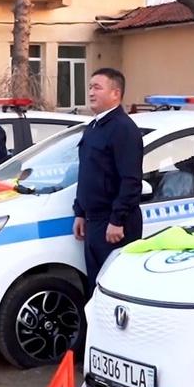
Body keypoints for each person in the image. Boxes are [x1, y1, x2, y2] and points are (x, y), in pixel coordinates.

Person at [72, 67, 144, 291]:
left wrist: (117, 220)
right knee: (96, 287)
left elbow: (131, 180)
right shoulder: (94, 127)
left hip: (113, 226)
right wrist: (80, 212)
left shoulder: (123, 129)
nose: (91, 93)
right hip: (93, 223)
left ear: (115, 93)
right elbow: (87, 174)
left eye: (97, 88)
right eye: (90, 87)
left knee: (115, 289)